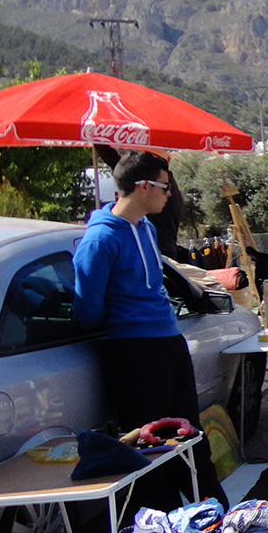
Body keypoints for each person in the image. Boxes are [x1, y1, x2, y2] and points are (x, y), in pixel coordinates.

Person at [73, 150, 223, 510]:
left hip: (168, 341)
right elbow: (87, 308)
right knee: (152, 447)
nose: (169, 194)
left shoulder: (147, 227)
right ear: (142, 187)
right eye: (164, 186)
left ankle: (217, 515)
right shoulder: (100, 240)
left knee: (190, 437)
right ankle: (163, 524)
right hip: (133, 351)